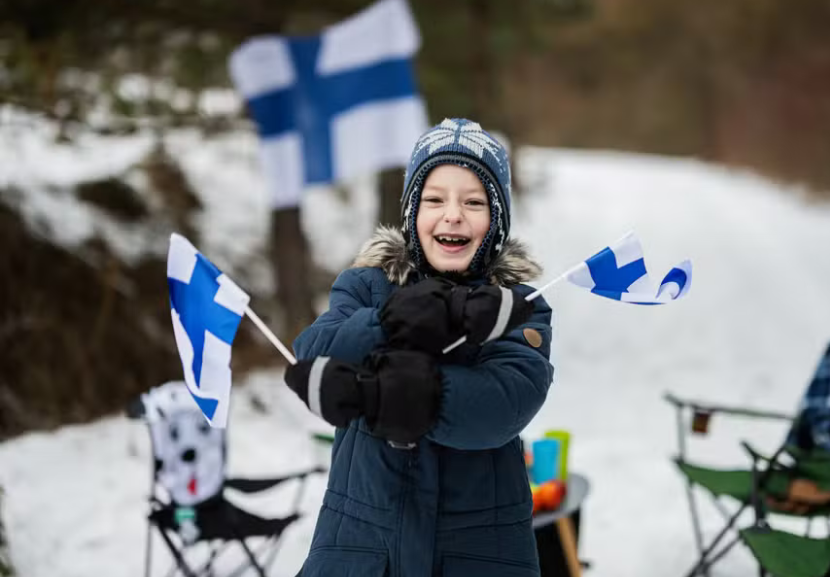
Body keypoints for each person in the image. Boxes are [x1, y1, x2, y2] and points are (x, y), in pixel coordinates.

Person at [284, 118, 555, 577]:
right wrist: (388, 322)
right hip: (361, 548)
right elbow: (314, 355)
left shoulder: (516, 306)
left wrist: (380, 393)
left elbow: (504, 403)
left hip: (478, 554)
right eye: (434, 199)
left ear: (496, 220)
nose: (453, 215)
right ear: (411, 212)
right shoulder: (366, 286)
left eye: (473, 202)